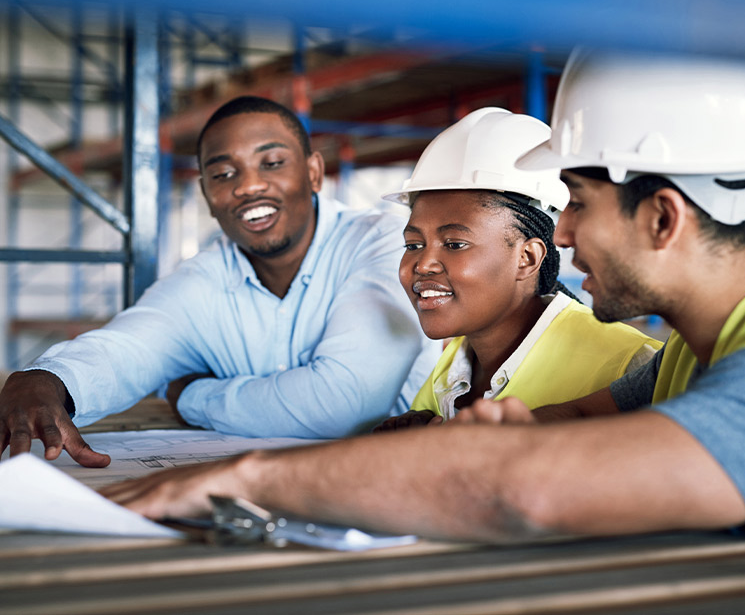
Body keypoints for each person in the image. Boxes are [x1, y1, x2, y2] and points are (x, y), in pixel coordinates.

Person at [103, 49, 745, 543]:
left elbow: (529, 489)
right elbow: (565, 422)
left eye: (580, 204)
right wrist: (459, 435)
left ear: (662, 218)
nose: (562, 234)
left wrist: (249, 480)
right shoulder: (684, 356)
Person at [0, 96, 439, 467]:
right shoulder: (203, 279)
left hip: (402, 477)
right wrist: (47, 379)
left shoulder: (386, 241)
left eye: (272, 163)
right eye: (224, 174)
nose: (248, 186)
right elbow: (127, 348)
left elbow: (342, 404)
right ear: (208, 196)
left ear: (313, 172)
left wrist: (193, 396)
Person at [373, 107, 660, 431]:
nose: (423, 264)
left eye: (454, 244)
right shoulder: (455, 364)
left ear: (527, 258)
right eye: (413, 245)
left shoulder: (629, 364)